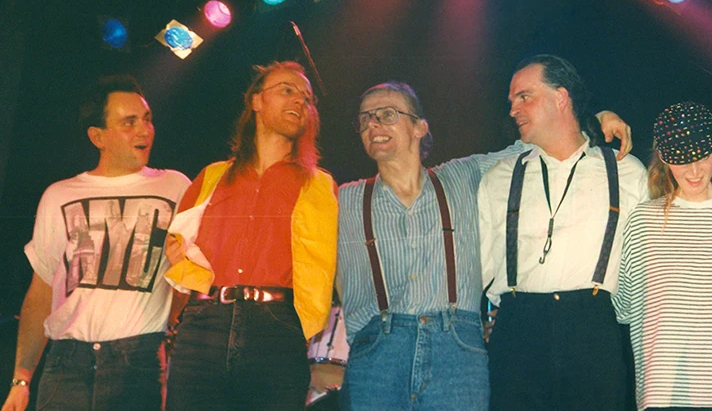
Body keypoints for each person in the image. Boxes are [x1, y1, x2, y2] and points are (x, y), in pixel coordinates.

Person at [335, 81, 631, 410]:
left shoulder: (464, 176)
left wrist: (593, 121)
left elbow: (541, 141)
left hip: (457, 353)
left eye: (387, 114)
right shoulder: (342, 199)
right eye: (365, 119)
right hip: (376, 356)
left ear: (420, 126)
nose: (373, 124)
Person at [2, 75, 190, 411]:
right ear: (97, 136)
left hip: (139, 360)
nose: (144, 130)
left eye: (146, 119)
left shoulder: (175, 187)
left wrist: (181, 292)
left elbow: (190, 281)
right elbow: (41, 292)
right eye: (129, 122)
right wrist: (21, 378)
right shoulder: (59, 195)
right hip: (66, 363)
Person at [163, 61, 338, 411]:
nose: (300, 101)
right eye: (287, 90)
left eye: (307, 97)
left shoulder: (320, 185)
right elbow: (177, 254)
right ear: (256, 101)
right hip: (203, 326)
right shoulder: (212, 177)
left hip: (276, 331)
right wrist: (175, 329)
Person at [479, 54, 649, 411]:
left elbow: (647, 267)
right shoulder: (499, 177)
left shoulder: (626, 172)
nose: (513, 109)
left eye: (524, 96)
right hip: (517, 330)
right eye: (511, 101)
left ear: (561, 97)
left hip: (594, 330)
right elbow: (479, 267)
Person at [614, 101, 712, 411]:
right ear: (664, 160)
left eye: (701, 158)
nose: (694, 171)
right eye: (682, 161)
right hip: (662, 390)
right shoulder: (643, 220)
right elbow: (624, 308)